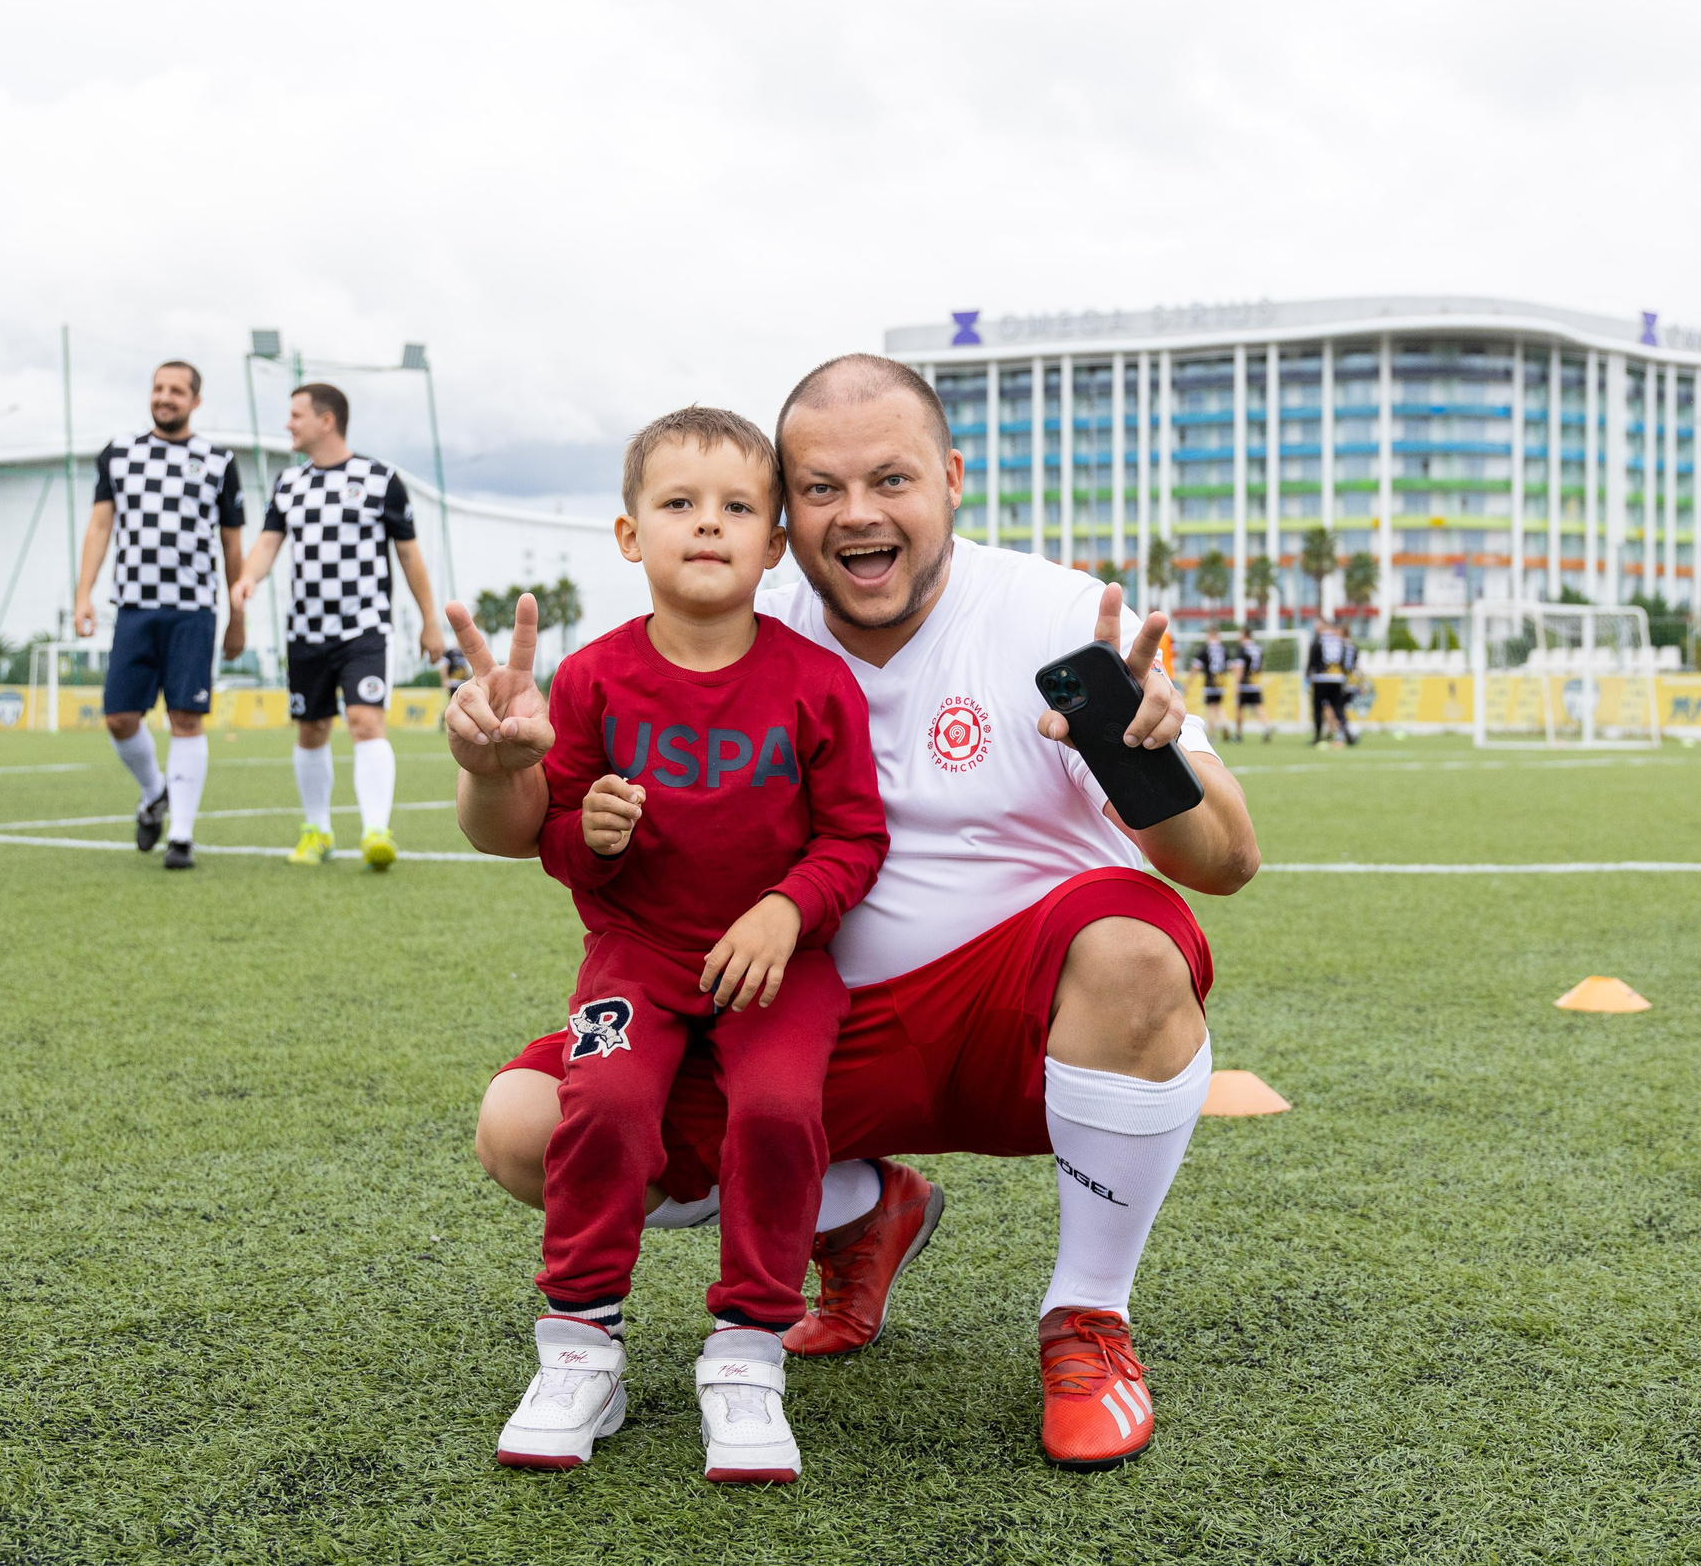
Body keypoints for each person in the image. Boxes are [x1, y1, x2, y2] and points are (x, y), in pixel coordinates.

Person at [461, 355, 1260, 1473]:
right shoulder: (732, 613)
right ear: (784, 516)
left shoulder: (1061, 614)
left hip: (1010, 1029)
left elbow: (1227, 862)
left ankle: (1087, 1316)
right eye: (819, 488)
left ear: (951, 479)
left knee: (1131, 946)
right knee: (527, 1130)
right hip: (790, 1015)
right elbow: (521, 831)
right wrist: (501, 769)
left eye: (891, 479)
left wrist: (1150, 758)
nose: (858, 514)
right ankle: (858, 1211)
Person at [459, 407, 887, 1482]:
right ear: (627, 535)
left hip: (777, 966)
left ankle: (747, 1351)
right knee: (596, 1104)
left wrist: (788, 908)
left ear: (774, 544)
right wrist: (587, 834)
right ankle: (579, 1347)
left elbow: (854, 835)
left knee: (782, 1112)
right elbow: (552, 841)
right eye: (679, 505)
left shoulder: (815, 680)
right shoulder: (593, 680)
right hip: (637, 960)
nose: (709, 525)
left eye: (738, 507)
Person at [229, 383, 446, 871]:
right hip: (306, 630)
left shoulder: (379, 479)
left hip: (365, 629)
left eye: (296, 414)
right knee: (311, 730)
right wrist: (247, 578)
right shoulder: (289, 484)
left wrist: (430, 621)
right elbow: (267, 544)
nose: (288, 424)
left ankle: (375, 831)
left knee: (366, 720)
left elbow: (408, 554)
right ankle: (317, 830)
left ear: (327, 421)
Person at [72, 361, 245, 870]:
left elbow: (232, 543)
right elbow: (100, 526)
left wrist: (237, 615)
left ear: (195, 401)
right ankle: (155, 793)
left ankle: (183, 838)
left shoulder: (217, 460)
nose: (165, 397)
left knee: (185, 717)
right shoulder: (120, 452)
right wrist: (84, 593)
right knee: (120, 717)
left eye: (177, 390)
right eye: (158, 388)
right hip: (134, 606)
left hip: (194, 610)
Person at [1306, 620, 1357, 746]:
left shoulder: (1318, 641)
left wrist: (1308, 675)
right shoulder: (1340, 642)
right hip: (1338, 678)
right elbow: (1347, 662)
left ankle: (1318, 736)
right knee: (1338, 707)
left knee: (1318, 708)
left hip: (1321, 678)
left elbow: (1312, 661)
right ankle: (1347, 733)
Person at [1233, 625, 1267, 742]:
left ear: (1243, 634)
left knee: (1239, 708)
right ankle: (1266, 728)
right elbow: (1262, 666)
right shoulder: (1258, 648)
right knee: (1258, 706)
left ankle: (1238, 734)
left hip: (1244, 684)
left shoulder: (1243, 649)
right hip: (1255, 683)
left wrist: (1236, 684)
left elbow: (1240, 668)